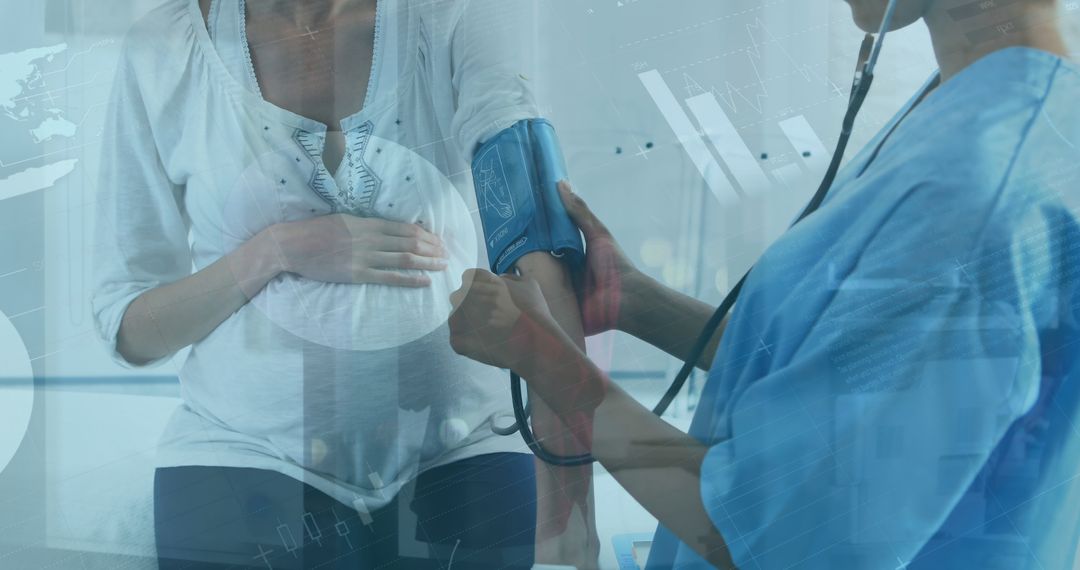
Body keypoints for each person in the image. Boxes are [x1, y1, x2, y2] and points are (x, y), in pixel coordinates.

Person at [448, 0, 1080, 567]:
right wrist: (638, 303)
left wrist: (542, 356)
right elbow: (842, 374)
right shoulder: (1003, 109)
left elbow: (757, 538)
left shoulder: (969, 198)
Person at [91, 0, 597, 568]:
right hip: (242, 450)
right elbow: (131, 329)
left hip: (463, 446)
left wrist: (573, 506)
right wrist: (274, 251)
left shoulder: (454, 15)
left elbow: (540, 250)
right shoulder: (161, 48)